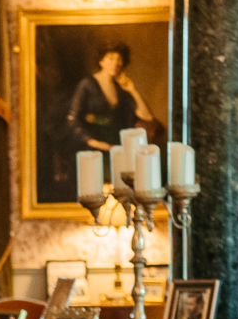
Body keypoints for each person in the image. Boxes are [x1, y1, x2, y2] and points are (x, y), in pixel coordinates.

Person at [54, 41, 165, 200]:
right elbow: (73, 119)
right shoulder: (88, 85)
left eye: (119, 59)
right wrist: (93, 142)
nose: (116, 63)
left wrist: (132, 90)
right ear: (101, 61)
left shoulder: (121, 89)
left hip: (116, 147)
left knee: (126, 184)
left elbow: (147, 117)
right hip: (89, 146)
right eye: (111, 58)